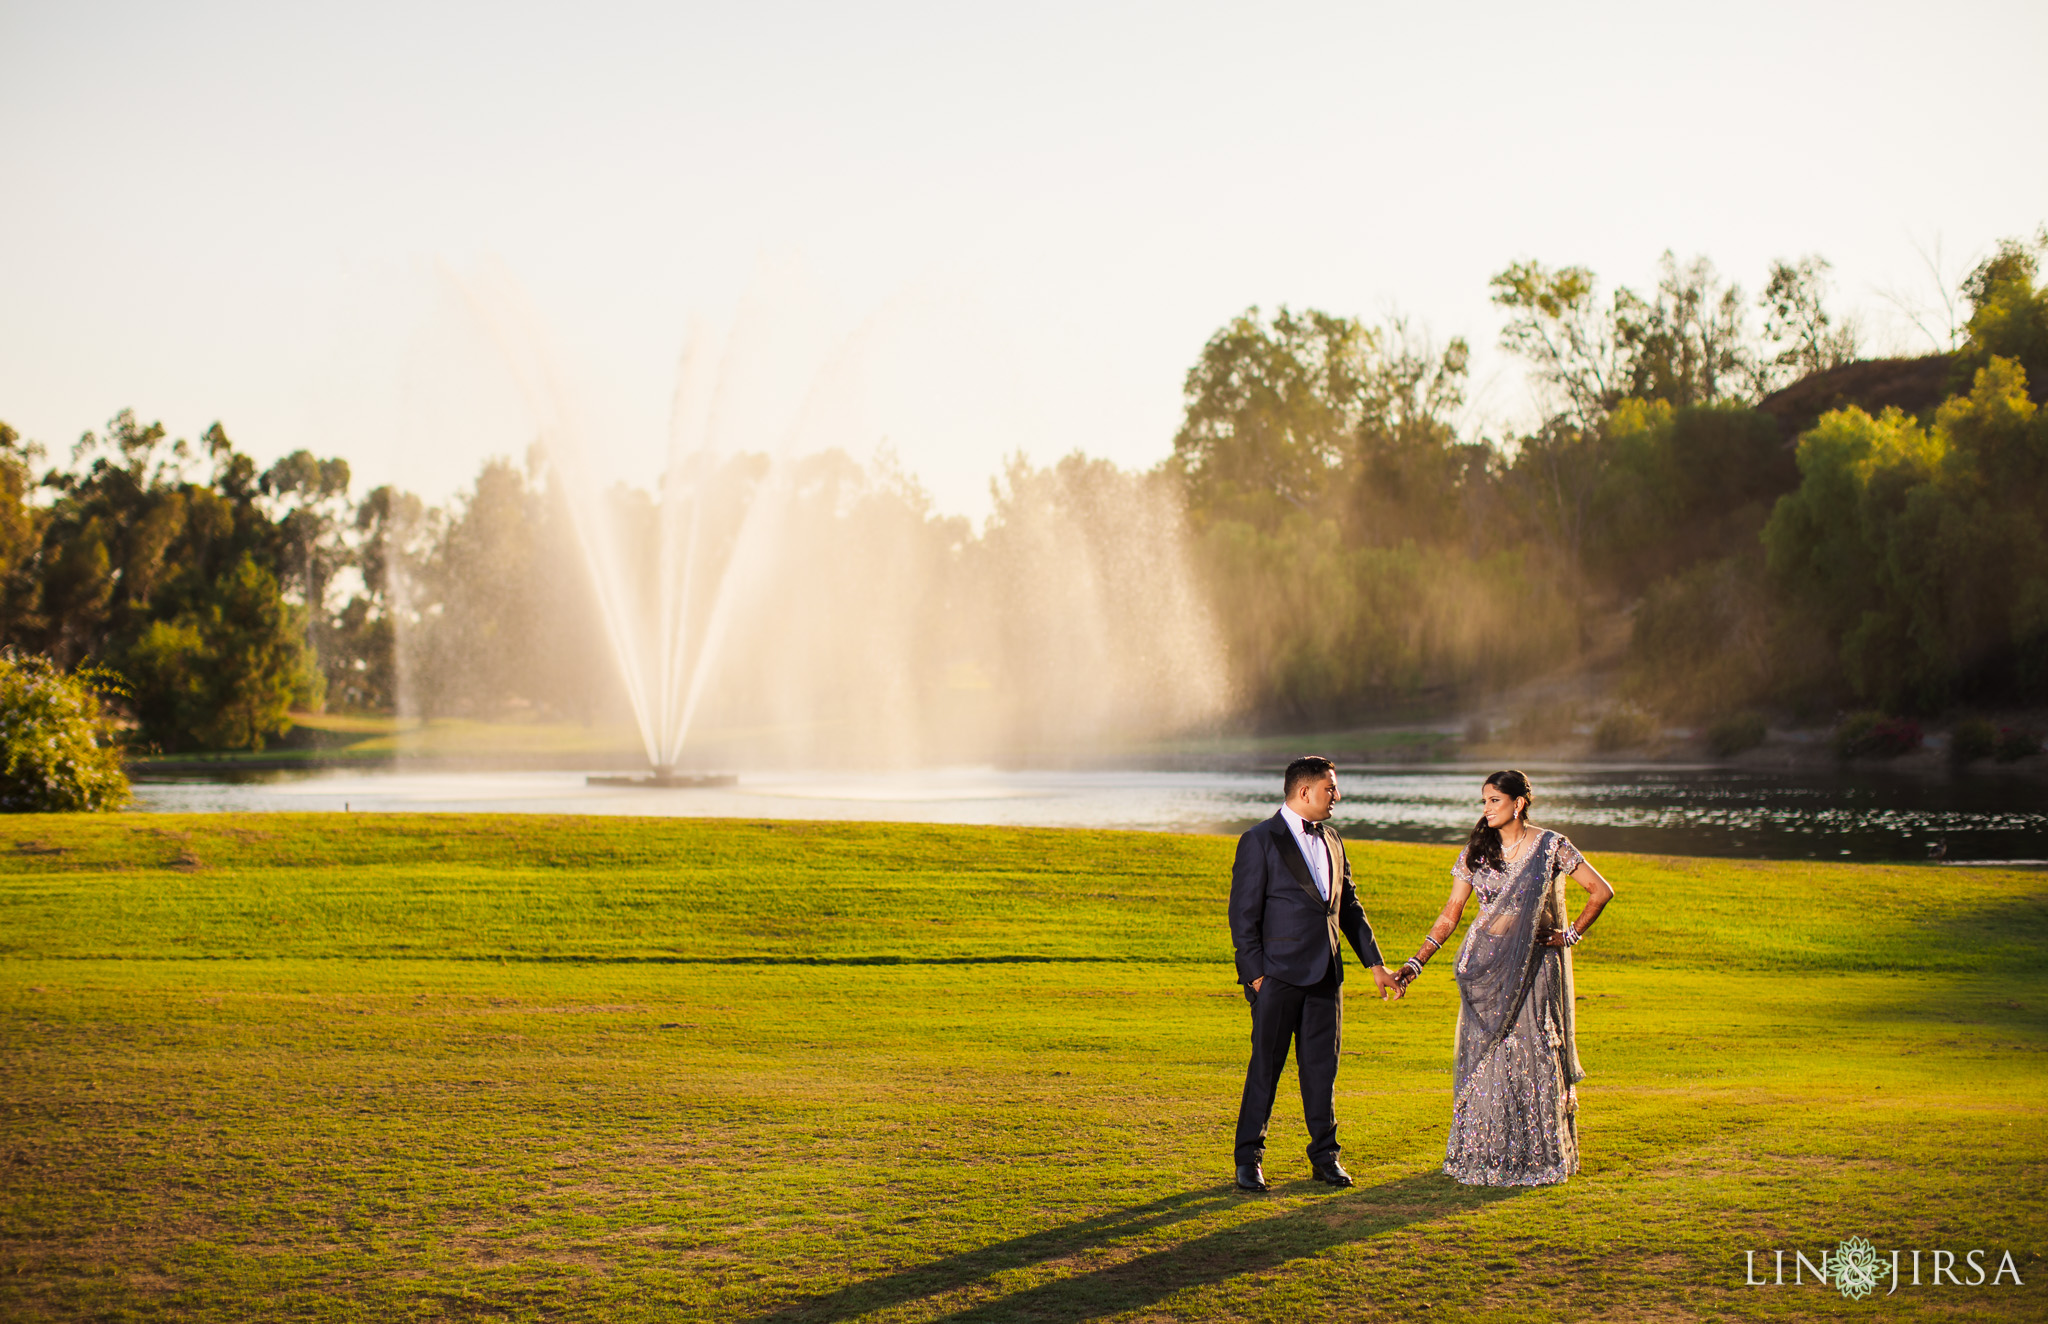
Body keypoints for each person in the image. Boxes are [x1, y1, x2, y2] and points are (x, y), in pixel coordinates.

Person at [1394, 769, 1614, 1185]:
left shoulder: (1551, 846)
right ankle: (1487, 1155)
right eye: (1484, 801)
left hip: (1534, 967)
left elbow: (1600, 891)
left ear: (1519, 803)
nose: (1486, 809)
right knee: (1489, 1059)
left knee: (1534, 1052)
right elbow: (1451, 913)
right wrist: (1415, 963)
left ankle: (1538, 1159)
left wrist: (1568, 936)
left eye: (1494, 800)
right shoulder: (1477, 851)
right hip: (1485, 968)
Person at [1228, 756, 1403, 1193]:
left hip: (1327, 975)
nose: (1336, 797)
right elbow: (1242, 917)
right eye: (1330, 789)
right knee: (1265, 1070)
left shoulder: (1334, 839)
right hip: (1276, 979)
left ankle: (1325, 1158)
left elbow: (1349, 908)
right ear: (1304, 792)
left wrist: (1375, 964)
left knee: (1322, 1071)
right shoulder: (1259, 840)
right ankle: (1248, 1159)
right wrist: (1257, 978)